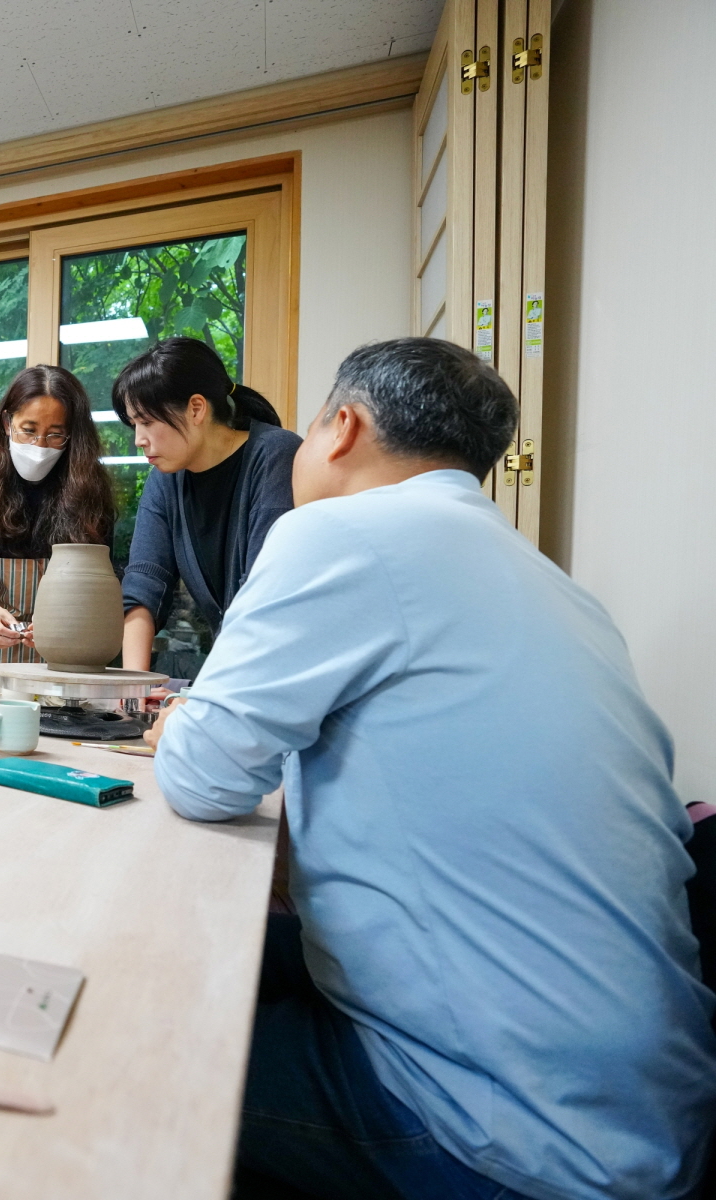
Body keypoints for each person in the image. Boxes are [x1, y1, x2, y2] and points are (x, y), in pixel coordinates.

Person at [144, 338, 716, 1200]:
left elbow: (201, 776)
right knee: (195, 952)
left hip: (511, 1133)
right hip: (641, 1105)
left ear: (344, 427)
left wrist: (183, 724)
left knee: (117, 1040)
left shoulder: (340, 534)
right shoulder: (556, 588)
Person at [114, 337, 300, 675]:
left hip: (279, 668)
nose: (139, 439)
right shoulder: (166, 476)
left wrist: (207, 699)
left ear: (196, 408)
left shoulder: (275, 455)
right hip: (234, 673)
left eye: (147, 421)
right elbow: (144, 582)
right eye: (134, 424)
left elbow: (264, 592)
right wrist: (134, 689)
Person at [0, 364, 114, 676]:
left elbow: (97, 582)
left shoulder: (89, 487)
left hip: (61, 654)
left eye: (55, 435)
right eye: (29, 429)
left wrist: (63, 622)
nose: (39, 446)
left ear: (72, 435)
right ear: (8, 423)